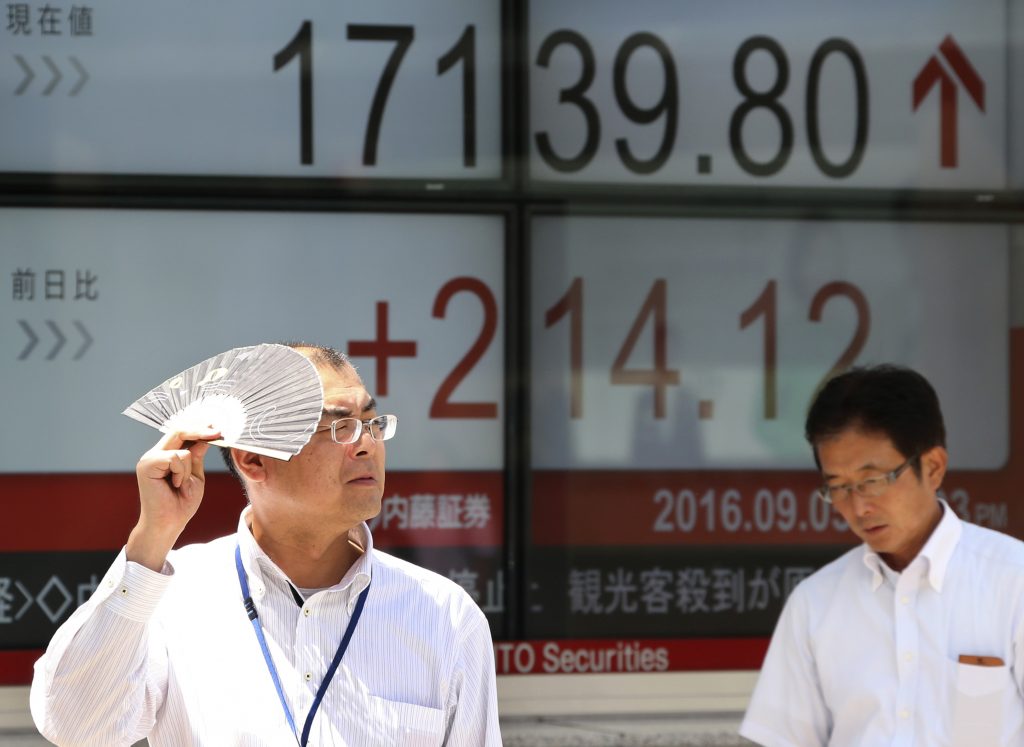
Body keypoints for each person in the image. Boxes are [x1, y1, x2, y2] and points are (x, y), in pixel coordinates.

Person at [31, 342, 502, 746]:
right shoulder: (173, 597)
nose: (367, 445)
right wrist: (151, 538)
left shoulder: (444, 615)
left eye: (373, 423)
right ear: (253, 460)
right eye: (340, 427)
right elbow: (76, 727)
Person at [740, 364, 1024, 747]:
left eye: (873, 481)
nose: (858, 507)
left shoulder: (1013, 582)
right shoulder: (816, 603)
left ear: (933, 466)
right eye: (838, 487)